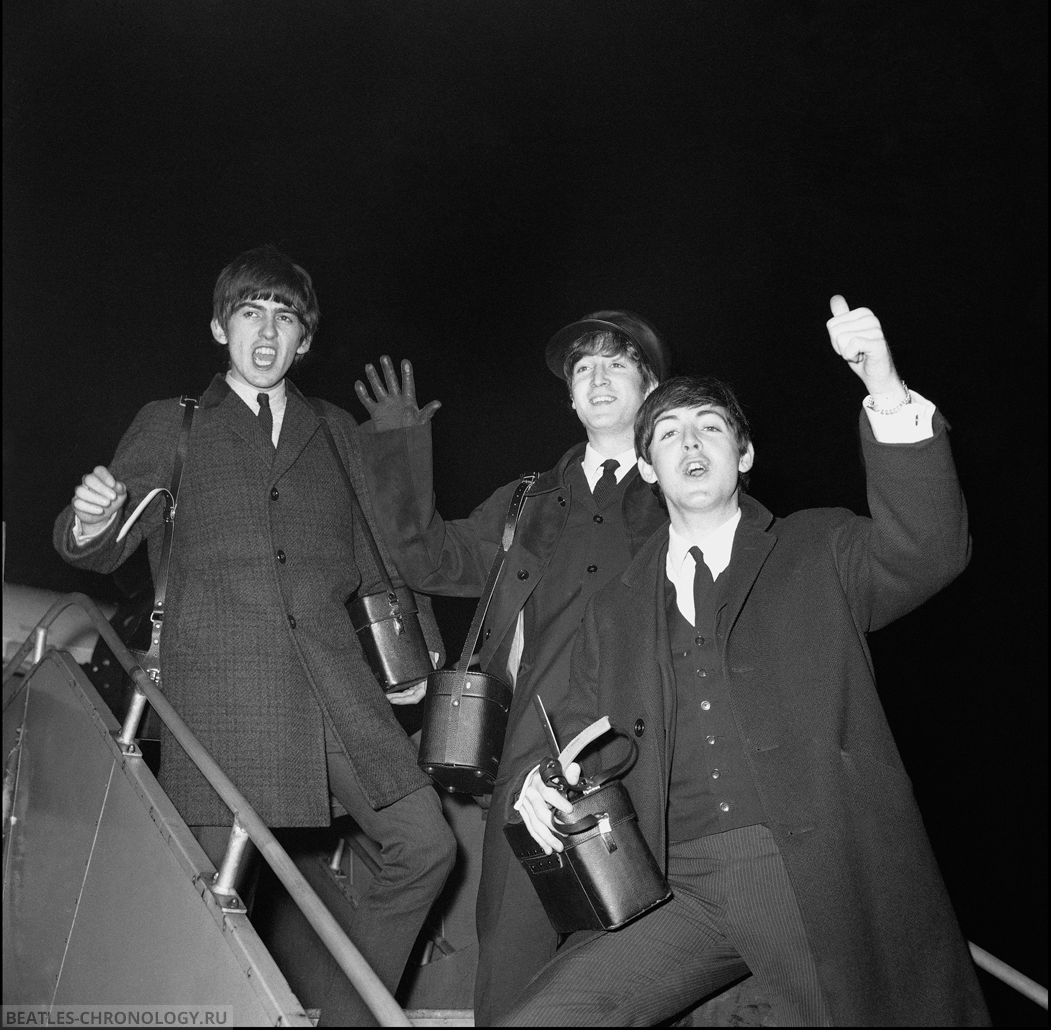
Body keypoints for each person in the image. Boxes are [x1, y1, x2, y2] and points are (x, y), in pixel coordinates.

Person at [507, 296, 990, 1026]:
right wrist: (542, 779)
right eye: (667, 432)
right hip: (676, 883)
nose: (690, 443)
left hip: (811, 872)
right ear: (646, 464)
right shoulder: (615, 607)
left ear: (745, 452)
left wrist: (883, 391)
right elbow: (575, 727)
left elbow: (929, 548)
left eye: (710, 426)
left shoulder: (818, 548)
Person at [53, 246, 456, 1026]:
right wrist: (91, 518)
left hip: (334, 687)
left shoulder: (335, 429)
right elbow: (100, 541)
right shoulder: (175, 422)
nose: (267, 334)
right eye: (249, 313)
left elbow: (379, 552)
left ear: (304, 340)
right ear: (218, 326)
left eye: (285, 317)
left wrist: (420, 650)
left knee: (426, 843)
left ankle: (347, 1017)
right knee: (207, 899)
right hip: (224, 691)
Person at [354, 311, 672, 1022]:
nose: (595, 377)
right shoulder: (527, 499)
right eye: (582, 367)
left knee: (639, 975)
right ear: (567, 394)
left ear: (650, 387)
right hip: (526, 772)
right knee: (511, 969)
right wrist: (400, 446)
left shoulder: (679, 495)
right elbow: (425, 556)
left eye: (616, 363)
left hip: (646, 762)